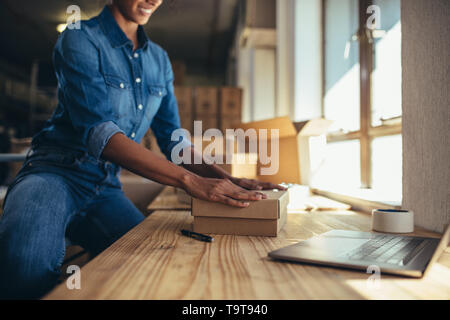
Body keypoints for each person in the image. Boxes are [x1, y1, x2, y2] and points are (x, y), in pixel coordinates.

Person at [0, 0, 284, 299]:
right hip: (54, 173)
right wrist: (189, 180)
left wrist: (226, 178)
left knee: (159, 262)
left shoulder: (159, 61)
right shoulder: (80, 37)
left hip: (104, 186)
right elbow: (101, 134)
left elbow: (173, 139)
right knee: (23, 262)